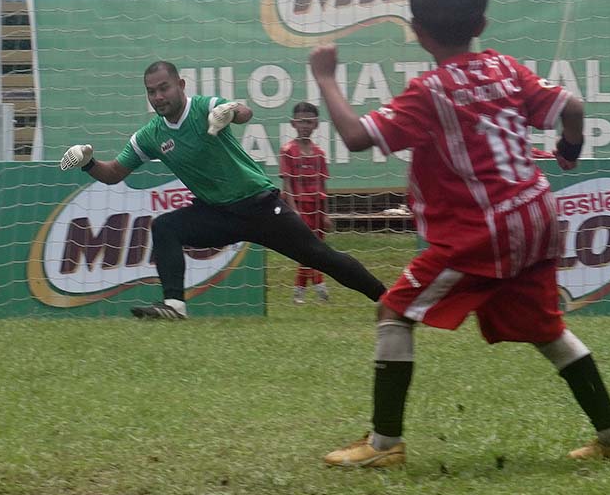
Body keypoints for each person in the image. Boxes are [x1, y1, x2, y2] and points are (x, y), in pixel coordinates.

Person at [309, 0, 610, 467]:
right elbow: (572, 109)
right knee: (546, 330)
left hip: (486, 229)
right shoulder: (506, 70)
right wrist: (570, 152)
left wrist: (326, 77)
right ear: (482, 25)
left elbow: (356, 137)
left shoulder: (430, 92)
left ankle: (384, 446)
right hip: (539, 214)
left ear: (417, 32)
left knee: (394, 311)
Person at [59, 60, 386, 319]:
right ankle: (174, 305)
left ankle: (389, 299)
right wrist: (88, 162)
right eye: (151, 92)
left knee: (320, 257)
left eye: (164, 88)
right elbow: (114, 173)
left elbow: (245, 112)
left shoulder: (203, 107)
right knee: (165, 227)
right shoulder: (150, 135)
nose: (158, 97)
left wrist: (229, 111)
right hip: (217, 213)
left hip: (260, 206)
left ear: (180, 86)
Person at [280, 101, 331, 305]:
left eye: (309, 122)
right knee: (307, 248)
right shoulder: (288, 150)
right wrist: (293, 210)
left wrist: (326, 213)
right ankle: (319, 284)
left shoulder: (319, 153)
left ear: (316, 124)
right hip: (300, 207)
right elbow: (287, 183)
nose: (305, 126)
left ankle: (299, 291)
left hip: (317, 207)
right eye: (301, 122)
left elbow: (323, 184)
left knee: (316, 248)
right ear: (293, 123)